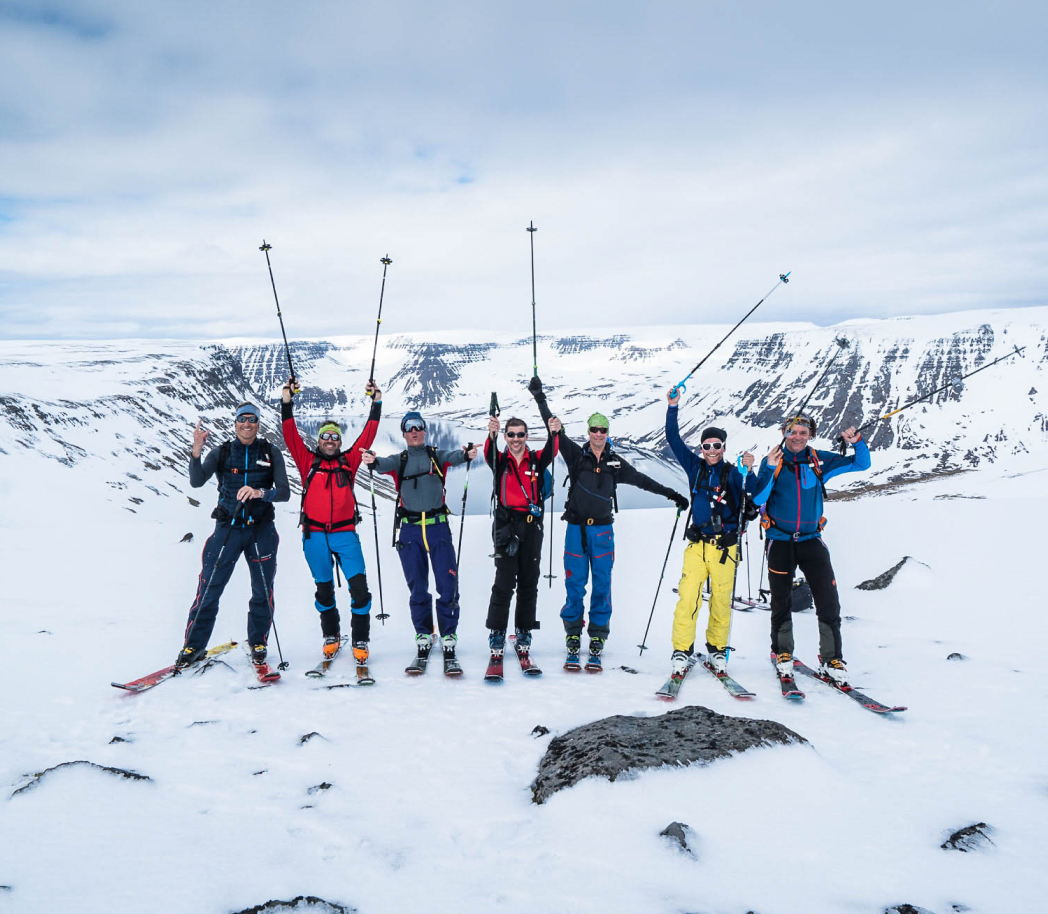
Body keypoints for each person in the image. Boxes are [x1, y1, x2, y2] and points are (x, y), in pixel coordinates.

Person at [529, 377, 689, 668]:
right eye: (594, 429)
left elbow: (643, 481)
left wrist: (672, 494)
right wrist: (540, 397)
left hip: (602, 530)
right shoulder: (576, 456)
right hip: (575, 529)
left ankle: (598, 635)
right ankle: (573, 634)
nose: (598, 434)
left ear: (607, 432)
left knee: (602, 584)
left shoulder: (616, 464)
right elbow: (553, 425)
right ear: (588, 431)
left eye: (603, 430)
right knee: (574, 584)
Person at [751, 413, 869, 685]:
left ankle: (832, 659)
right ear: (783, 432)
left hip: (811, 540)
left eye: (803, 432)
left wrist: (857, 441)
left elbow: (861, 464)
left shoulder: (819, 460)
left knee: (828, 599)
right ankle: (782, 653)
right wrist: (768, 467)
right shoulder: (774, 461)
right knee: (781, 600)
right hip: (779, 541)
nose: (797, 436)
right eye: (792, 431)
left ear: (810, 435)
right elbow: (758, 497)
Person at [361, 412, 478, 671]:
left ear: (425, 431)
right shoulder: (399, 461)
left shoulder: (436, 456)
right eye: (409, 428)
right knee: (417, 588)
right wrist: (370, 459)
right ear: (403, 434)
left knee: (448, 585)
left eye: (418, 427)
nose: (414, 432)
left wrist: (468, 453)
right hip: (410, 531)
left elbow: (458, 456)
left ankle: (448, 636)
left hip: (438, 529)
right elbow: (379, 464)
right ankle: (423, 634)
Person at [178, 403, 290, 668]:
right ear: (236, 422)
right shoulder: (223, 452)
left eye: (252, 419)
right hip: (227, 530)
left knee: (262, 589)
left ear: (259, 423)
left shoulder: (270, 452)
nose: (247, 424)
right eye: (242, 419)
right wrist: (196, 449)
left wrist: (261, 492)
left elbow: (284, 492)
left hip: (261, 530)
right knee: (209, 588)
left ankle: (258, 642)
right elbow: (196, 481)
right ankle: (193, 646)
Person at [281, 377, 382, 664]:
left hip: (345, 534)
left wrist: (376, 402)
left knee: (359, 590)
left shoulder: (349, 461)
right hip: (314, 535)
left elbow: (368, 436)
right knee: (323, 589)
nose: (329, 441)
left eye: (334, 437)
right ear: (319, 440)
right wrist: (287, 401)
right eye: (325, 437)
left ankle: (360, 638)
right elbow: (290, 434)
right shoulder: (307, 461)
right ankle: (331, 635)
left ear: (339, 442)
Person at [665, 388, 756, 679]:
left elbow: (752, 493)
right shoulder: (695, 467)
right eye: (707, 446)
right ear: (702, 448)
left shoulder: (733, 472)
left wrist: (750, 470)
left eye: (717, 445)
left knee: (720, 601)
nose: (712, 450)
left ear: (724, 447)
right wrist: (673, 407)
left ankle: (717, 649)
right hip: (697, 546)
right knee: (687, 600)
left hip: (725, 549)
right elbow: (673, 440)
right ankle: (682, 650)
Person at [483, 410, 563, 666]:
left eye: (520, 434)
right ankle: (497, 632)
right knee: (503, 582)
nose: (515, 439)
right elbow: (488, 452)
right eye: (511, 435)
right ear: (505, 437)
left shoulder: (537, 460)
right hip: (506, 526)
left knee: (529, 582)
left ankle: (524, 630)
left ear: (527, 436)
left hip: (531, 527)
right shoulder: (500, 461)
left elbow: (553, 450)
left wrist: (555, 432)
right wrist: (491, 434)